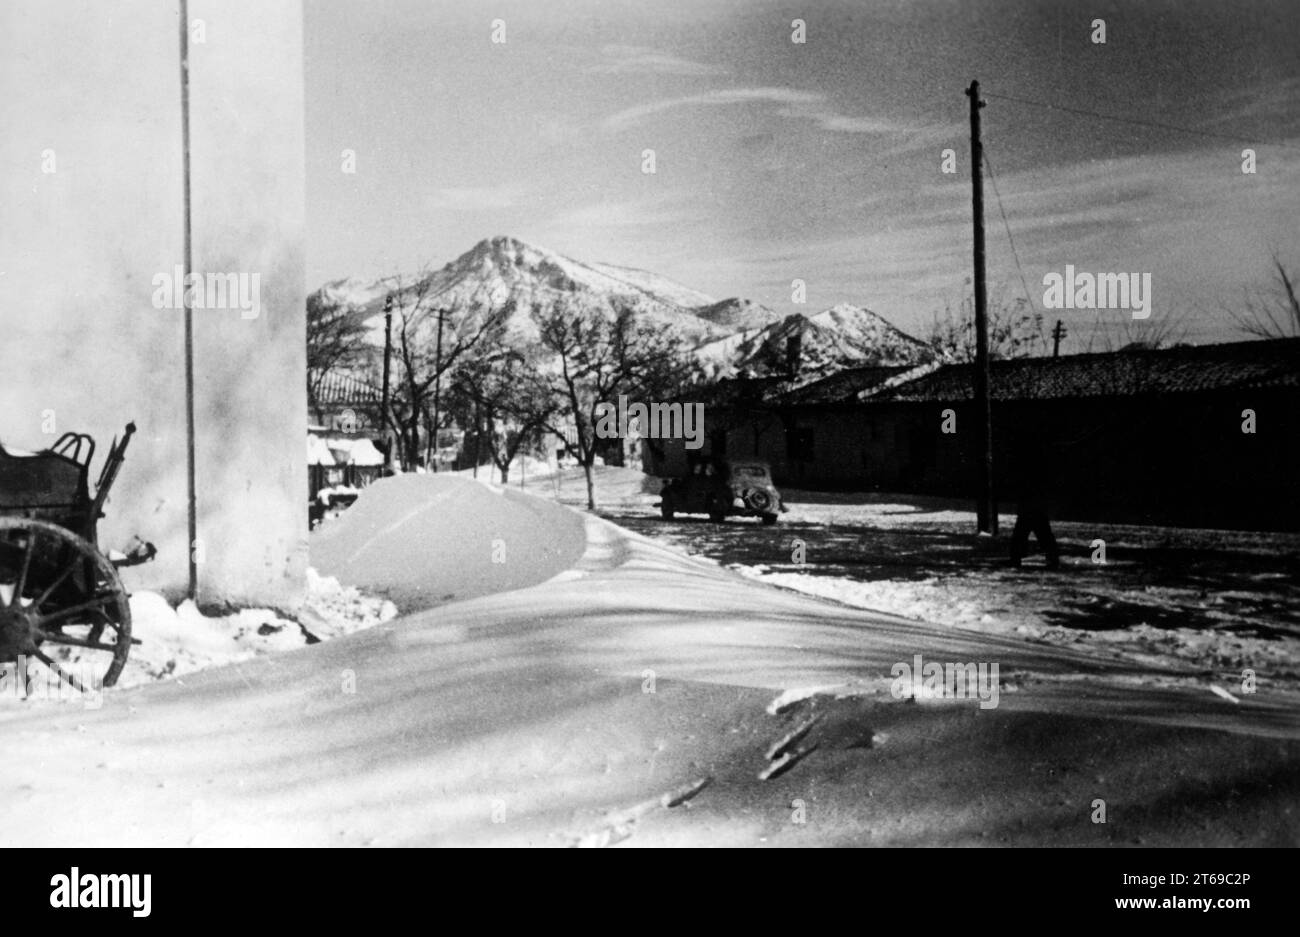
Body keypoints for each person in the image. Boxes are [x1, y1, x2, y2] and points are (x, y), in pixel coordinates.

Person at [1006, 442, 1060, 570]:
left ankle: (1016, 558)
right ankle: (1052, 559)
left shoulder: (1028, 465)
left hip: (1030, 500)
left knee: (1024, 531)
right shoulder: (1040, 463)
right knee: (1040, 531)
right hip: (1035, 500)